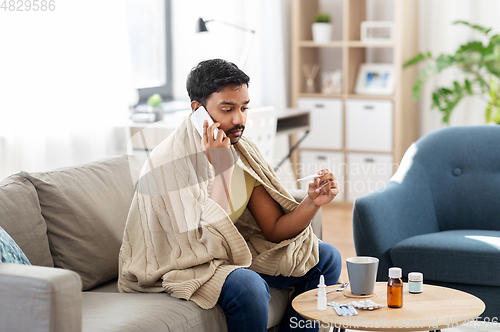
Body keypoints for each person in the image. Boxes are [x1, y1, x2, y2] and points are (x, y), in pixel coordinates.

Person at [118, 59, 342, 332]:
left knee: (327, 256)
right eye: (227, 109)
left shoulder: (241, 150)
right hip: (188, 264)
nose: (239, 120)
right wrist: (222, 168)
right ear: (197, 110)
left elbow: (272, 228)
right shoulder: (170, 161)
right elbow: (204, 244)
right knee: (248, 286)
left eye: (244, 108)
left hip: (229, 256)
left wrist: (311, 202)